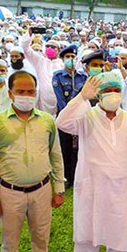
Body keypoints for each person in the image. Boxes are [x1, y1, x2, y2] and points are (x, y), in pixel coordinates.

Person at [56, 73, 127, 252]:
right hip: (92, 184)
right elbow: (62, 122)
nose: (113, 95)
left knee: (119, 224)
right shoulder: (87, 117)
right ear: (98, 95)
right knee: (89, 226)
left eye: (116, 90)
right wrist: (81, 98)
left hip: (120, 184)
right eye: (107, 91)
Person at [0, 70, 65, 252]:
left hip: (41, 188)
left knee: (41, 238)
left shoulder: (47, 120)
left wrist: (58, 188)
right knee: (10, 241)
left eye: (30, 92)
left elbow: (56, 155)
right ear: (10, 93)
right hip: (9, 192)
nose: (26, 96)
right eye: (21, 92)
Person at [52, 45, 88, 189]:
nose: (71, 60)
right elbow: (60, 100)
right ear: (62, 59)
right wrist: (69, 113)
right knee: (65, 148)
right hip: (65, 117)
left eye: (73, 57)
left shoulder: (83, 77)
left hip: (80, 118)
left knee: (79, 149)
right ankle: (66, 177)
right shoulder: (58, 76)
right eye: (68, 57)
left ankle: (78, 176)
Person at [21, 29, 63, 114]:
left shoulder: (63, 64)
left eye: (53, 47)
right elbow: (26, 49)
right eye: (47, 46)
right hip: (42, 102)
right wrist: (29, 33)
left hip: (58, 100)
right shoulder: (40, 61)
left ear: (58, 50)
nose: (50, 48)